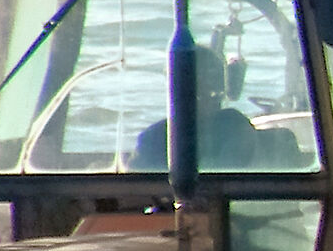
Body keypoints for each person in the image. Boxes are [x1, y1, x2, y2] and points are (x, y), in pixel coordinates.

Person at [127, 46, 297, 172]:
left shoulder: (234, 127)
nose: (207, 96)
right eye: (197, 88)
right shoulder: (152, 139)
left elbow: (219, 179)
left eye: (213, 89)